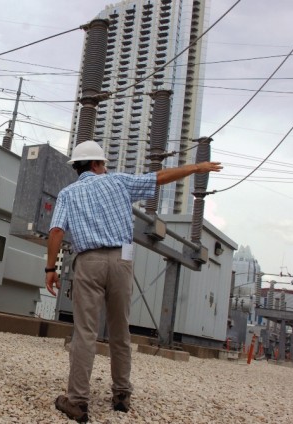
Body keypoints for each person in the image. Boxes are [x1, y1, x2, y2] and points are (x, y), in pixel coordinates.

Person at [45, 141, 222, 422]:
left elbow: (56, 231)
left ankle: (77, 401)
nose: (106, 167)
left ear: (79, 167)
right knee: (120, 331)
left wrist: (50, 268)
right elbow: (160, 178)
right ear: (96, 164)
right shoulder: (118, 182)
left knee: (85, 333)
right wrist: (196, 167)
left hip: (88, 261)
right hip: (121, 261)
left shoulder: (68, 193)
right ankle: (122, 395)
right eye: (103, 163)